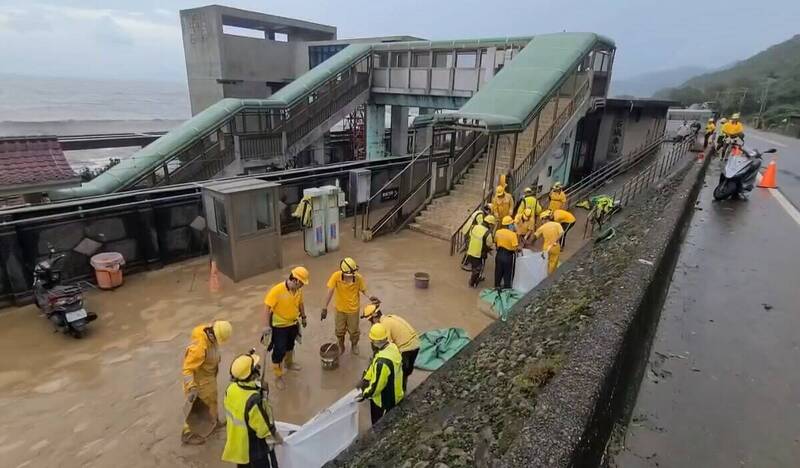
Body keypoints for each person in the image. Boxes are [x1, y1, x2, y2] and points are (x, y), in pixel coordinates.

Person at [222, 350, 282, 467]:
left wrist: (258, 389)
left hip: (238, 445)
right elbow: (262, 428)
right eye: (255, 367)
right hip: (253, 447)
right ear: (251, 374)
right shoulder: (253, 400)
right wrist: (275, 435)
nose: (258, 369)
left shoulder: (231, 388)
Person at [182, 320, 233, 445]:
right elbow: (187, 369)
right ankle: (187, 434)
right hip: (200, 381)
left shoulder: (210, 333)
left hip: (209, 377)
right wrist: (191, 387)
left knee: (212, 401)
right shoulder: (199, 347)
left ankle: (214, 422)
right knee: (198, 408)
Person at [262, 267, 309, 390]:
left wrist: (303, 317)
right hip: (279, 327)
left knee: (290, 345)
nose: (302, 286)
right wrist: (266, 326)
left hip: (293, 324)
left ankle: (289, 363)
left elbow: (300, 304)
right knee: (279, 351)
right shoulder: (277, 290)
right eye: (302, 283)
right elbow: (267, 308)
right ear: (296, 280)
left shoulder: (298, 291)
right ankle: (278, 376)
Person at [322, 258, 377, 356]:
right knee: (339, 330)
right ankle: (341, 344)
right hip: (340, 310)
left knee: (354, 331)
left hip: (353, 311)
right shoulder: (336, 276)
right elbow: (330, 292)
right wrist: (324, 308)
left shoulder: (358, 278)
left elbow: (364, 290)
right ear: (344, 273)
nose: (352, 276)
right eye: (351, 274)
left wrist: (370, 297)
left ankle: (354, 345)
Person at [362, 303, 420, 391]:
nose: (371, 323)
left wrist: (375, 362)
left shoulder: (384, 325)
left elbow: (385, 347)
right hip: (416, 344)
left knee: (399, 373)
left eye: (370, 321)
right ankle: (402, 389)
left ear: (374, 317)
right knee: (406, 371)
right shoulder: (390, 317)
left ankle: (399, 394)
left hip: (406, 349)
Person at [356, 323, 405, 425]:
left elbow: (376, 387)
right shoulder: (392, 347)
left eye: (372, 340)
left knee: (378, 424)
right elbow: (373, 365)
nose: (371, 342)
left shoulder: (382, 363)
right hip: (397, 392)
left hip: (384, 401)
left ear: (376, 341)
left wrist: (364, 394)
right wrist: (365, 378)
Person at [465, 215, 496, 288]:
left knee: (474, 267)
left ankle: (474, 279)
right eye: (492, 225)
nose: (493, 227)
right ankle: (472, 283)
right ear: (490, 224)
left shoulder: (474, 227)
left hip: (470, 251)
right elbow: (490, 244)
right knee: (478, 268)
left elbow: (471, 236)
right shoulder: (488, 233)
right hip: (479, 254)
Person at [534, 211, 564, 275]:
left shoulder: (542, 227)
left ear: (544, 219)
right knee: (553, 263)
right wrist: (556, 240)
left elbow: (535, 236)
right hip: (555, 247)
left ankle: (544, 275)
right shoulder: (557, 224)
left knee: (545, 263)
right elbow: (562, 233)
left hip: (546, 248)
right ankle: (550, 277)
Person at [494, 216, 520, 290]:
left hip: (499, 254)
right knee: (508, 273)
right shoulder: (513, 235)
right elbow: (515, 247)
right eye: (512, 224)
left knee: (498, 271)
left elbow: (495, 242)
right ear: (509, 225)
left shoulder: (498, 232)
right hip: (508, 256)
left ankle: (497, 286)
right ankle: (506, 288)